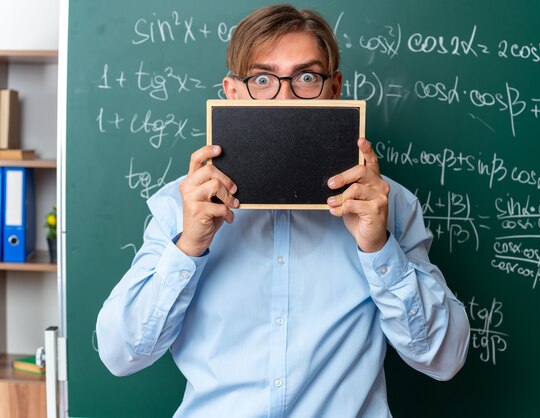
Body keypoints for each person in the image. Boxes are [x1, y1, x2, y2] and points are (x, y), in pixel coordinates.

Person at [96, 4, 470, 417]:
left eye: (307, 77)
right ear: (233, 92)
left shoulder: (387, 204)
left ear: (334, 88)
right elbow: (121, 354)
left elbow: (444, 360)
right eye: (262, 79)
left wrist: (379, 248)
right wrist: (188, 246)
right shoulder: (181, 204)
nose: (285, 96)